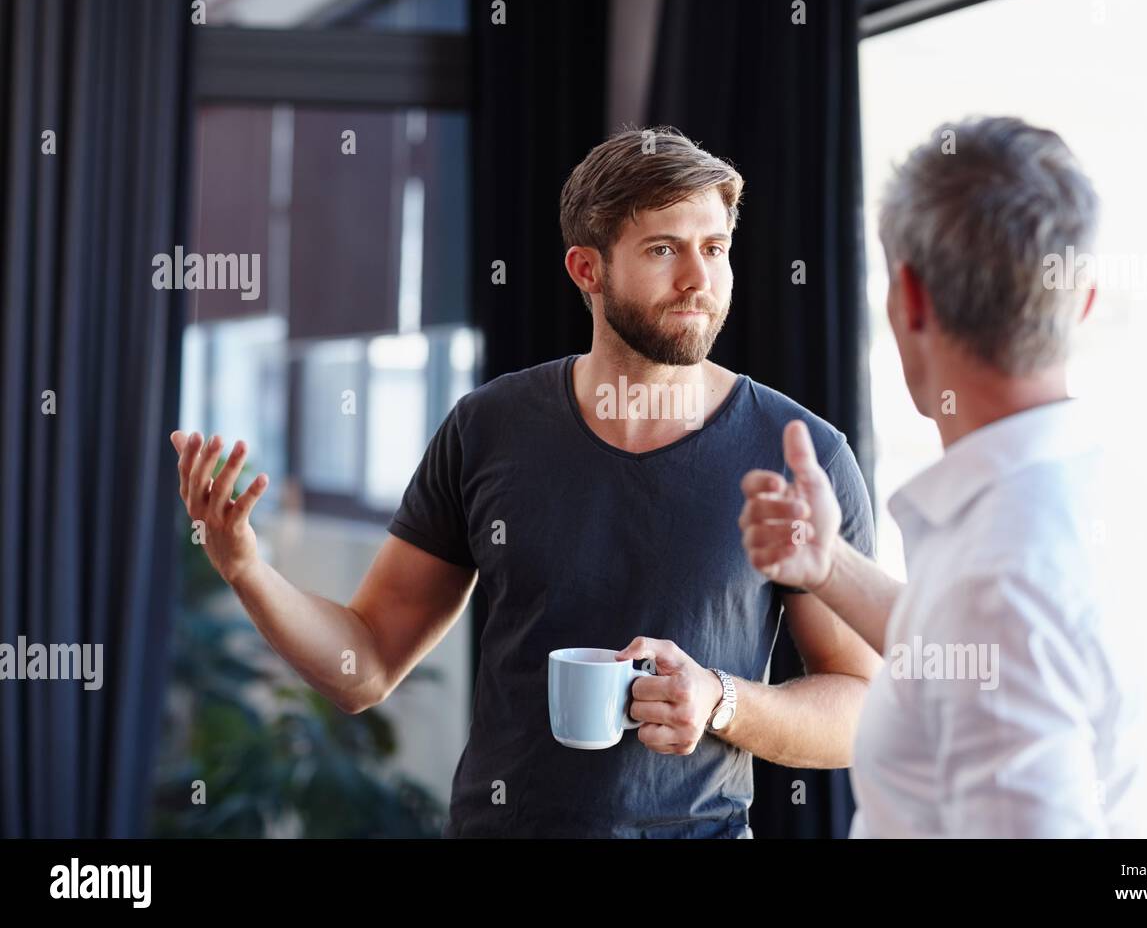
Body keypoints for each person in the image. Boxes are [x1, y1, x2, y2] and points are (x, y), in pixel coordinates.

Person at [170, 126, 880, 838]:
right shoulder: (489, 427)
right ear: (587, 270)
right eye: (664, 249)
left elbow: (862, 707)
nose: (699, 277)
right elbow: (367, 664)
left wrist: (722, 700)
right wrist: (247, 569)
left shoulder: (802, 455)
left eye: (715, 248)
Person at [738, 116, 1147, 837]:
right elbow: (963, 658)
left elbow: (994, 628)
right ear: (1078, 302)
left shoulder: (999, 582)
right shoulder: (1131, 513)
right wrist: (827, 565)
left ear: (910, 299)